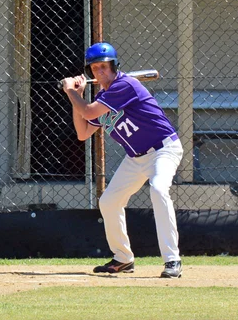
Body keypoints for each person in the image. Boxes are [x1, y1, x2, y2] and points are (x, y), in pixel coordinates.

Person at [61, 42, 184, 278]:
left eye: (104, 67)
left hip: (163, 149)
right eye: (95, 68)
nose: (100, 72)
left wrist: (72, 93)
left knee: (158, 189)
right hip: (136, 158)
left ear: (114, 66)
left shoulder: (125, 85)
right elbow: (83, 132)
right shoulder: (103, 96)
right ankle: (123, 258)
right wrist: (76, 96)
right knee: (109, 201)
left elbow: (87, 112)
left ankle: (172, 260)